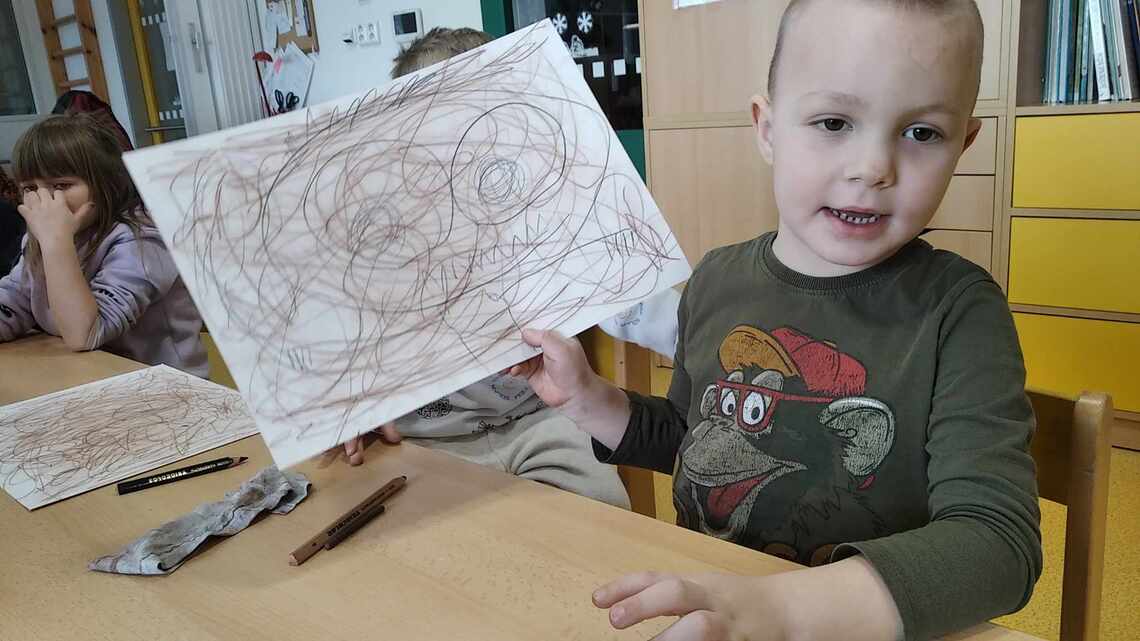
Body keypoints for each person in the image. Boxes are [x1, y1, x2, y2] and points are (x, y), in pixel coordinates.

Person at [508, 2, 1042, 639]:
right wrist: (586, 399)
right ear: (767, 129)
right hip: (717, 610)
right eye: (834, 122)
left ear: (964, 144)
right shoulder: (717, 280)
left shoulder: (961, 311)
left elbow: (998, 545)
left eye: (922, 133)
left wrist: (780, 610)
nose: (874, 168)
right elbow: (691, 439)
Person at [338, 27, 682, 512]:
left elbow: (643, 304)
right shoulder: (383, 242)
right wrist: (349, 409)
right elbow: (340, 347)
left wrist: (708, 340)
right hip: (426, 439)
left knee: (599, 516)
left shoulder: (547, 220)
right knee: (414, 537)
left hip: (537, 418)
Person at [0, 114, 206, 376]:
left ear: (105, 184)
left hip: (165, 386)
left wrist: (56, 244)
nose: (45, 200)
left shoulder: (142, 239)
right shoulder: (44, 236)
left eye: (61, 185)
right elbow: (15, 300)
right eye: (30, 188)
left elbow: (86, 334)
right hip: (86, 376)